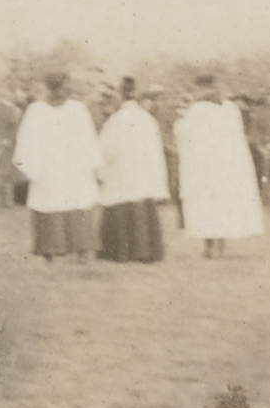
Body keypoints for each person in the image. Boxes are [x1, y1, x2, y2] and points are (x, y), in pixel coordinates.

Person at [13, 72, 101, 261]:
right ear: (48, 89)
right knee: (48, 205)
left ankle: (82, 251)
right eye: (56, 89)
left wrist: (90, 164)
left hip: (74, 168)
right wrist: (31, 167)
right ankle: (50, 252)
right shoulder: (36, 110)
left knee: (78, 203)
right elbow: (25, 141)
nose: (60, 94)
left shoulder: (78, 109)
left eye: (63, 89)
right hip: (47, 169)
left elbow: (88, 139)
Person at [176, 74, 265, 258]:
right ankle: (219, 247)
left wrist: (180, 121)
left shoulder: (197, 109)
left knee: (207, 204)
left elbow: (186, 135)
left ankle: (209, 247)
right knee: (222, 204)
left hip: (205, 166)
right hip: (226, 165)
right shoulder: (230, 109)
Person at [96, 78, 169, 264]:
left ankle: (121, 251)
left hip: (121, 172)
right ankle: (145, 251)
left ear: (120, 96)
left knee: (121, 202)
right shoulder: (148, 120)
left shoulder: (115, 120)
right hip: (142, 173)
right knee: (140, 203)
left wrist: (101, 170)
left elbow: (106, 150)